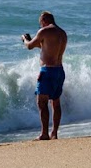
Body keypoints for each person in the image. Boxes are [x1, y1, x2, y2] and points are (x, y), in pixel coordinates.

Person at [22, 11, 68, 140]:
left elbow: (30, 46)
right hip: (59, 70)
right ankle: (54, 133)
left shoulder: (44, 31)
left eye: (40, 23)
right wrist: (34, 41)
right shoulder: (62, 33)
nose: (40, 26)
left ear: (44, 20)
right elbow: (47, 47)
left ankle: (44, 133)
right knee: (56, 102)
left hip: (47, 70)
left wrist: (25, 39)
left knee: (42, 102)